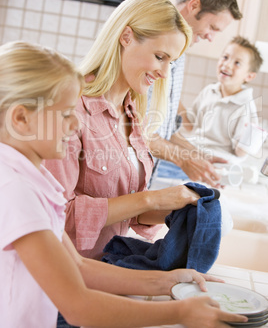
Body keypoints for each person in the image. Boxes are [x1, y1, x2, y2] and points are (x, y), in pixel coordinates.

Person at [0, 41, 248, 328]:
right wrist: (180, 313)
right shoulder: (15, 190)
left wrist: (167, 281)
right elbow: (77, 306)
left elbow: (77, 267)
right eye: (67, 113)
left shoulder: (36, 179)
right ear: (21, 119)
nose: (76, 124)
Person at [45, 0, 200, 263]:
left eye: (171, 62)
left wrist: (179, 209)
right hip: (67, 279)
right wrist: (150, 200)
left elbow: (126, 210)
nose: (165, 73)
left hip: (107, 269)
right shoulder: (70, 108)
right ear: (126, 37)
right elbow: (55, 215)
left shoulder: (132, 113)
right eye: (160, 56)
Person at [147, 0, 243, 187]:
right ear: (194, 5)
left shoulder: (179, 52)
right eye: (213, 28)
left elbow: (163, 131)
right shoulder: (153, 44)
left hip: (142, 177)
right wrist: (184, 159)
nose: (211, 38)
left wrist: (199, 156)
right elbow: (136, 130)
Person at [178, 35, 263, 159]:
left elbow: (241, 153)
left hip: (218, 164)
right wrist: (175, 101)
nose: (227, 65)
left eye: (237, 63)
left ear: (249, 76)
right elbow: (191, 125)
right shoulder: (209, 91)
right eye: (225, 57)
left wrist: (247, 142)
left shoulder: (245, 107)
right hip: (194, 155)